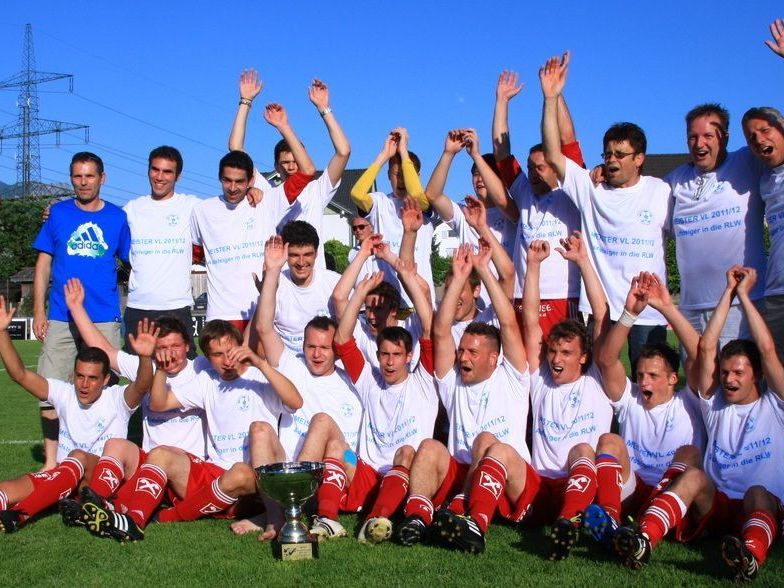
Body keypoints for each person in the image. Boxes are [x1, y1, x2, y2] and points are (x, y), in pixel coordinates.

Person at [613, 266, 784, 582]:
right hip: (716, 505)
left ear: (756, 376)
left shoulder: (776, 405)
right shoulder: (714, 405)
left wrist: (744, 297)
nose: (728, 379)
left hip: (760, 508)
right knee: (692, 476)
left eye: (738, 373)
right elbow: (704, 348)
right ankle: (642, 539)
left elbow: (768, 350)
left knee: (759, 492)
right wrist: (722, 295)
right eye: (725, 373)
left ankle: (750, 556)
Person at [82, 320, 302, 542]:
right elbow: (158, 404)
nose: (226, 360)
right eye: (217, 355)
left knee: (258, 432)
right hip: (217, 472)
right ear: (207, 358)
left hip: (257, 479)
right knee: (160, 453)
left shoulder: (261, 376)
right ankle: (133, 520)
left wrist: (260, 363)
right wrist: (161, 369)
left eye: (230, 351)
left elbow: (296, 401)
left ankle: (272, 517)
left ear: (240, 346)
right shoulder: (207, 381)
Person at [396, 241, 531, 554]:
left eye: (472, 352)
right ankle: (417, 518)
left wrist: (483, 269)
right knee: (429, 447)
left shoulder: (513, 377)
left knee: (488, 442)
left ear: (494, 358)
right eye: (461, 351)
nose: (463, 357)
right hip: (464, 473)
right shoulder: (453, 380)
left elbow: (508, 321)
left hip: (509, 475)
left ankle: (475, 524)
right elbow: (440, 331)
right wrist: (457, 278)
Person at [539, 54, 671, 371]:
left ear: (639, 158)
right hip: (600, 310)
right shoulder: (590, 188)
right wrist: (550, 99)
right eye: (608, 153)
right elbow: (554, 154)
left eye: (621, 154)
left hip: (647, 308)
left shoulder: (663, 190)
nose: (612, 159)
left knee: (649, 384)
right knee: (597, 382)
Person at [0, 295, 154, 533]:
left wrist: (145, 357)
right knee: (6, 490)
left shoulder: (117, 399)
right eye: (79, 376)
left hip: (98, 480)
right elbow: (19, 375)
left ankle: (21, 515)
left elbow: (143, 384)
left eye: (92, 378)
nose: (84, 384)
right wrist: (1, 333)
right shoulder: (64, 393)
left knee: (79, 457)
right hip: (63, 477)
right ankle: (68, 502)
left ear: (105, 380)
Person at [318, 253, 436, 543]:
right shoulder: (370, 379)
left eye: (397, 355)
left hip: (408, 476)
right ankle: (326, 519)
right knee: (337, 448)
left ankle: (376, 519)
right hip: (367, 472)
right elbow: (342, 339)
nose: (390, 362)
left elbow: (430, 325)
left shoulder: (424, 382)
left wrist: (405, 273)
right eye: (384, 354)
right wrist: (359, 292)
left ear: (409, 356)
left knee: (407, 451)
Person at [583, 272, 705, 545]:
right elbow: (606, 359)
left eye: (652, 375)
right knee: (609, 441)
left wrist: (666, 308)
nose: (643, 381)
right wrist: (629, 313)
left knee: (690, 454)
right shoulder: (631, 399)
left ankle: (646, 529)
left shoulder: (690, 402)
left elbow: (699, 353)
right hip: (632, 491)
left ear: (674, 378)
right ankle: (611, 521)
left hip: (672, 495)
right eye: (639, 374)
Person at [32, 151, 131, 471]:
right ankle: (50, 463)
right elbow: (43, 264)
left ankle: (106, 460)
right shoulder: (57, 214)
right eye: (77, 176)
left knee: (108, 394)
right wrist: (38, 309)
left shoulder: (118, 217)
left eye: (89, 176)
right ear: (71, 178)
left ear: (103, 178)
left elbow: (134, 263)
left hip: (103, 317)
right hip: (60, 316)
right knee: (48, 391)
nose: (83, 182)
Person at [520, 234, 612, 560]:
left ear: (583, 357)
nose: (556, 359)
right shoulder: (541, 380)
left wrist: (582, 262)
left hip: (582, 481)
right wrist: (532, 266)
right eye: (554, 351)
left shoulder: (597, 381)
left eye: (566, 353)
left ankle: (568, 521)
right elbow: (531, 322)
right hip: (542, 486)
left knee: (584, 450)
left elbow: (601, 315)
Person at [490, 63, 583, 339]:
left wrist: (552, 97)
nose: (531, 173)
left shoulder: (571, 190)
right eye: (529, 167)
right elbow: (501, 152)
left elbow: (567, 139)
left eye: (540, 167)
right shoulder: (524, 192)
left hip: (562, 296)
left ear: (556, 167)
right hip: (523, 294)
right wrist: (501, 102)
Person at [666, 102, 765, 347]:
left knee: (738, 382)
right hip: (690, 311)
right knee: (697, 384)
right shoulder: (675, 181)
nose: (699, 144)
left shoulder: (747, 161)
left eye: (708, 135)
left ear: (725, 137)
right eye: (693, 137)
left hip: (740, 305)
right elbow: (636, 191)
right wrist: (603, 171)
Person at [230, 71, 349, 267]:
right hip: (279, 278)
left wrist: (324, 108)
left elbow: (343, 152)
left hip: (312, 277)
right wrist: (245, 101)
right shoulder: (267, 190)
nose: (292, 167)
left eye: (297, 160)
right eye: (285, 162)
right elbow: (236, 148)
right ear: (276, 165)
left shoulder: (318, 189)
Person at [190, 151, 290, 331]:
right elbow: (195, 254)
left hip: (262, 311)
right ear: (219, 178)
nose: (233, 187)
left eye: (240, 182)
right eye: (227, 180)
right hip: (221, 314)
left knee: (263, 361)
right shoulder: (201, 210)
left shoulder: (266, 203)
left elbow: (306, 174)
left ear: (251, 180)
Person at [424, 128, 515, 307]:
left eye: (485, 173)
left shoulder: (515, 213)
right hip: (474, 310)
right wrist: (448, 153)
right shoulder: (465, 214)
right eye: (475, 174)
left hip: (507, 306)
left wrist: (475, 155)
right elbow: (433, 195)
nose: (479, 179)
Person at [122, 146, 199, 357]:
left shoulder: (191, 206)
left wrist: (252, 193)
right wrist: (54, 212)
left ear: (178, 176)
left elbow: (227, 210)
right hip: (138, 307)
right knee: (138, 379)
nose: (159, 177)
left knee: (183, 377)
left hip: (176, 306)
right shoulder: (132, 208)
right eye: (155, 169)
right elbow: (101, 222)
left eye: (167, 172)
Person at [351, 128, 436, 306]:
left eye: (407, 174)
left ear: (416, 176)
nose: (402, 180)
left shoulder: (426, 203)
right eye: (397, 175)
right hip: (387, 305)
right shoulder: (380, 202)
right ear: (389, 176)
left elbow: (417, 196)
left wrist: (403, 152)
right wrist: (383, 156)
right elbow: (357, 194)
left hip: (420, 303)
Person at [741, 20, 784, 363]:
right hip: (776, 293)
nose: (759, 140)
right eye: (752, 138)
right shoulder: (764, 177)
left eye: (766, 131)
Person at [267, 221, 341, 353]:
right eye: (294, 255)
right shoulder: (274, 284)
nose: (301, 263)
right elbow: (262, 331)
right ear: (285, 254)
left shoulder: (335, 283)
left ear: (316, 253)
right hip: (287, 366)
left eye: (307, 254)